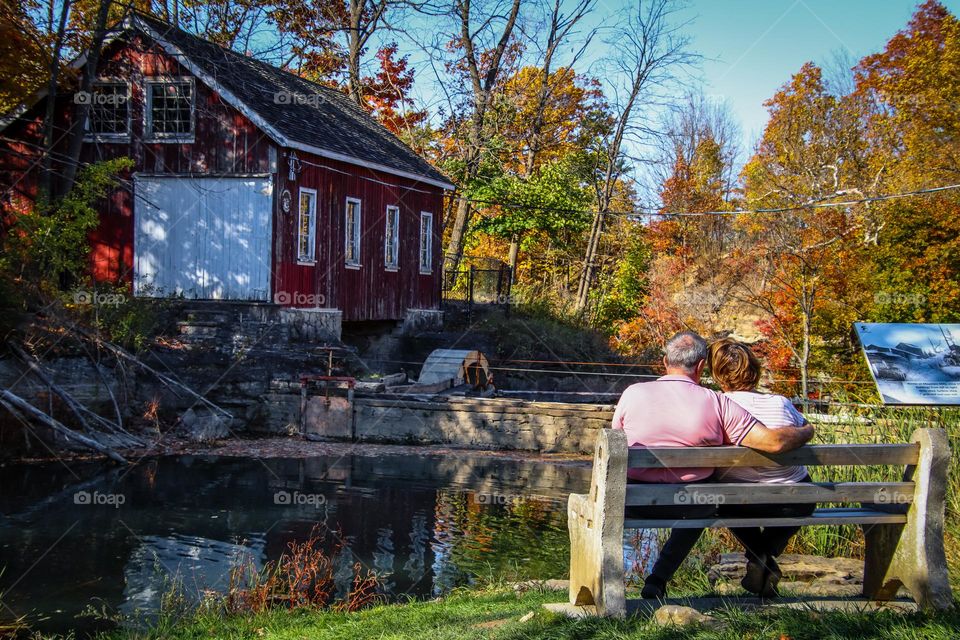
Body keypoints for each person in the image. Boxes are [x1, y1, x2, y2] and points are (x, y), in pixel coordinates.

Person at [611, 331, 814, 599]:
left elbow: (617, 443)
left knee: (709, 500)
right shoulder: (716, 402)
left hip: (632, 502)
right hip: (690, 504)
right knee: (706, 502)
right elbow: (773, 443)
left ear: (664, 362)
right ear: (700, 366)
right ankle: (657, 579)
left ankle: (644, 583)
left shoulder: (632, 393)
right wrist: (807, 430)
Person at [708, 337, 817, 597]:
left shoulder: (717, 406)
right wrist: (808, 430)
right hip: (793, 501)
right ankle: (762, 558)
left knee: (721, 498)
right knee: (806, 494)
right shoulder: (780, 403)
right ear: (755, 371)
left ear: (719, 375)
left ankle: (758, 558)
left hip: (738, 502)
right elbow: (804, 427)